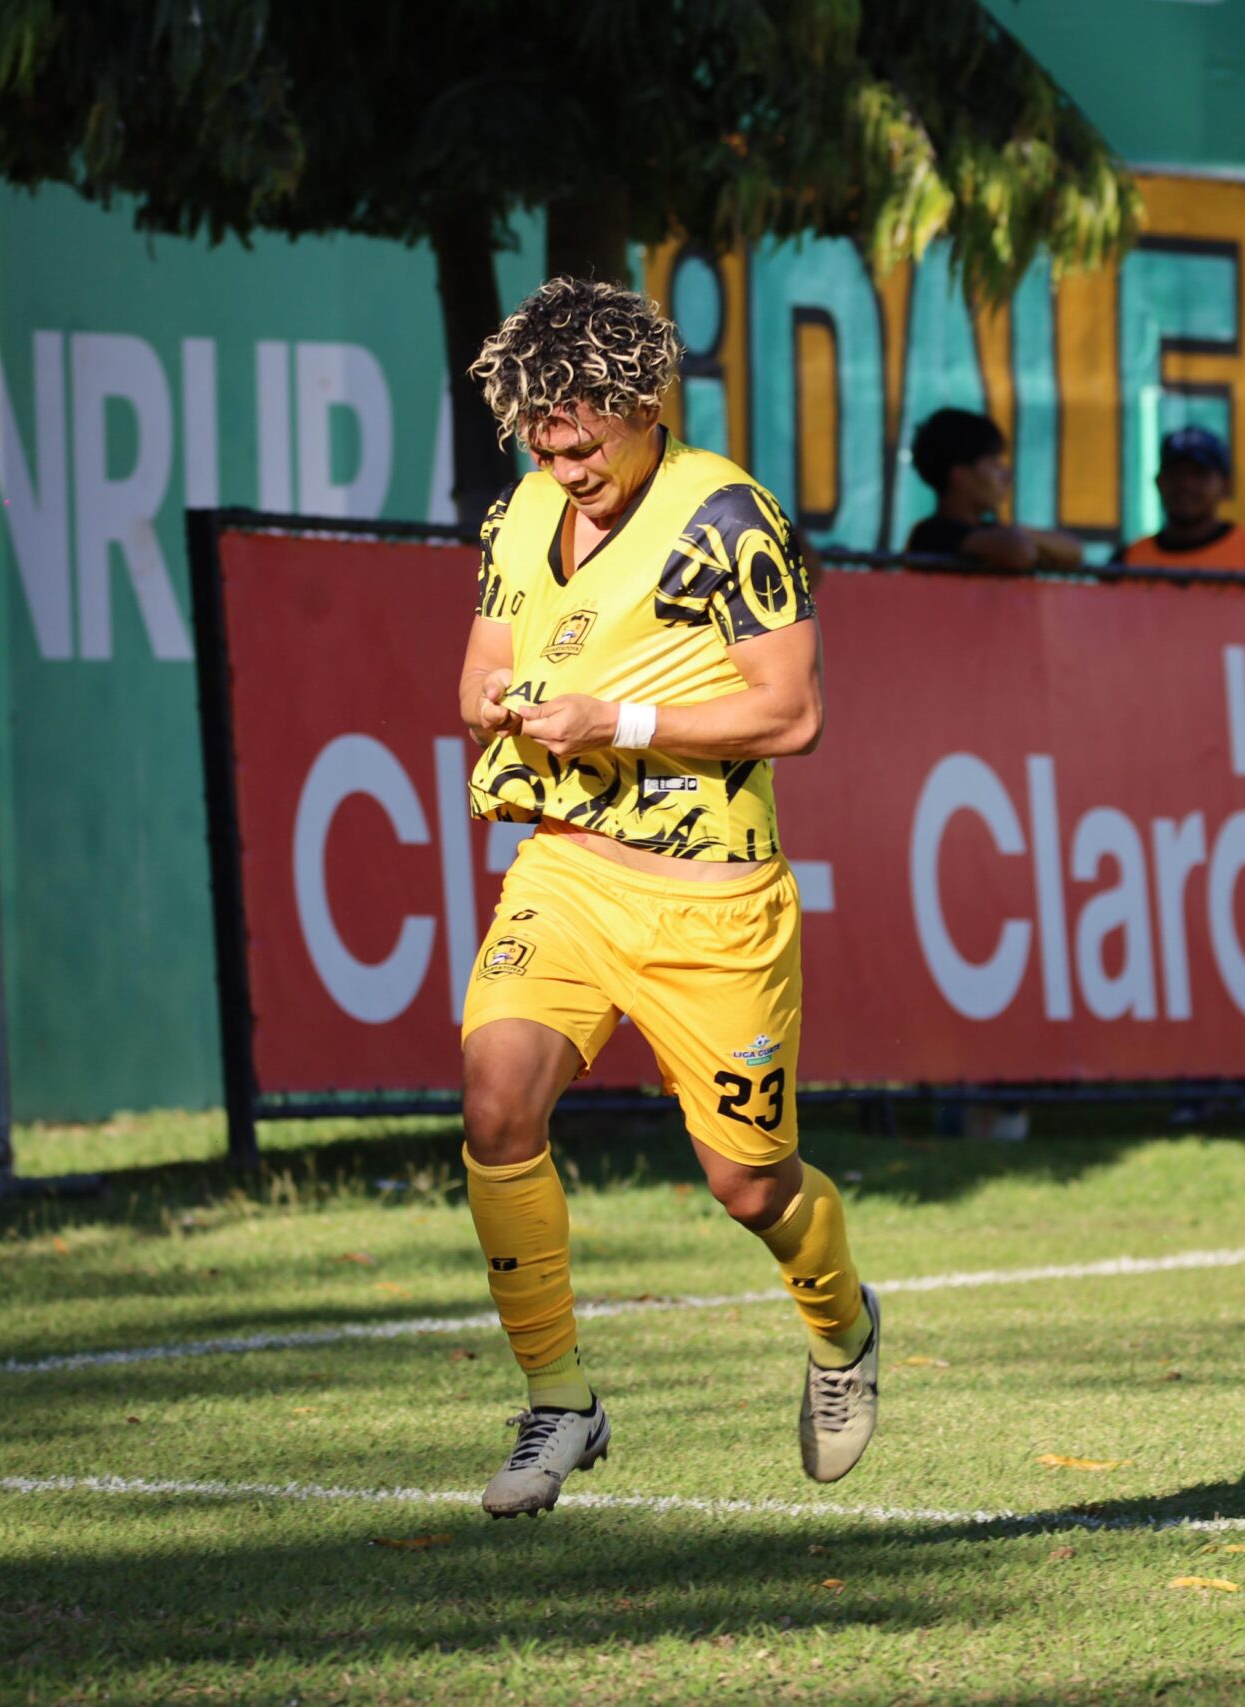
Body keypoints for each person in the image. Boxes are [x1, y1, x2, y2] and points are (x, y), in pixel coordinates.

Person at [453, 277, 880, 1518]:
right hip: (569, 874)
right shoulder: (524, 510)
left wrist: (614, 720)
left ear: (644, 403)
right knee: (493, 1106)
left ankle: (843, 1333)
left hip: (711, 905)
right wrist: (501, 706)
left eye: (582, 423)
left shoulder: (727, 515)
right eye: (540, 425)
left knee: (749, 1184)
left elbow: (792, 711)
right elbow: (479, 671)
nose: (561, 449)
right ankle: (559, 1401)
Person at [903, 407, 1086, 571]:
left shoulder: (991, 530)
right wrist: (1024, 538)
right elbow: (1020, 552)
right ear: (961, 475)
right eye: (994, 464)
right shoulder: (930, 534)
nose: (1006, 476)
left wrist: (1019, 532)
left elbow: (1074, 550)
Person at [1114, 425, 1245, 573]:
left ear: (1225, 485)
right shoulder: (1127, 561)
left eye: (1200, 475)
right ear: (1159, 482)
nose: (1186, 484)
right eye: (1176, 474)